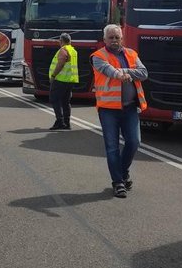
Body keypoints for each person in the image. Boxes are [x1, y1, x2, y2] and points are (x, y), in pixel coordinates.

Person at [91, 24, 148, 198]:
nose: (114, 40)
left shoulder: (131, 53)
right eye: (111, 38)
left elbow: (144, 73)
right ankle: (118, 183)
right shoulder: (98, 56)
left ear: (122, 38)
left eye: (117, 37)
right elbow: (108, 70)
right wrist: (122, 74)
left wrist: (124, 71)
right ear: (105, 39)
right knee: (112, 147)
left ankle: (122, 173)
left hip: (129, 107)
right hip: (108, 110)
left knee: (134, 141)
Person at [48, 33, 78, 131]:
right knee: (66, 102)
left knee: (54, 100)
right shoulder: (73, 50)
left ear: (61, 41)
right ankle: (67, 122)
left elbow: (61, 63)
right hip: (70, 80)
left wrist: (53, 75)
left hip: (60, 80)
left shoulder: (63, 50)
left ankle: (60, 122)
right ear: (70, 41)